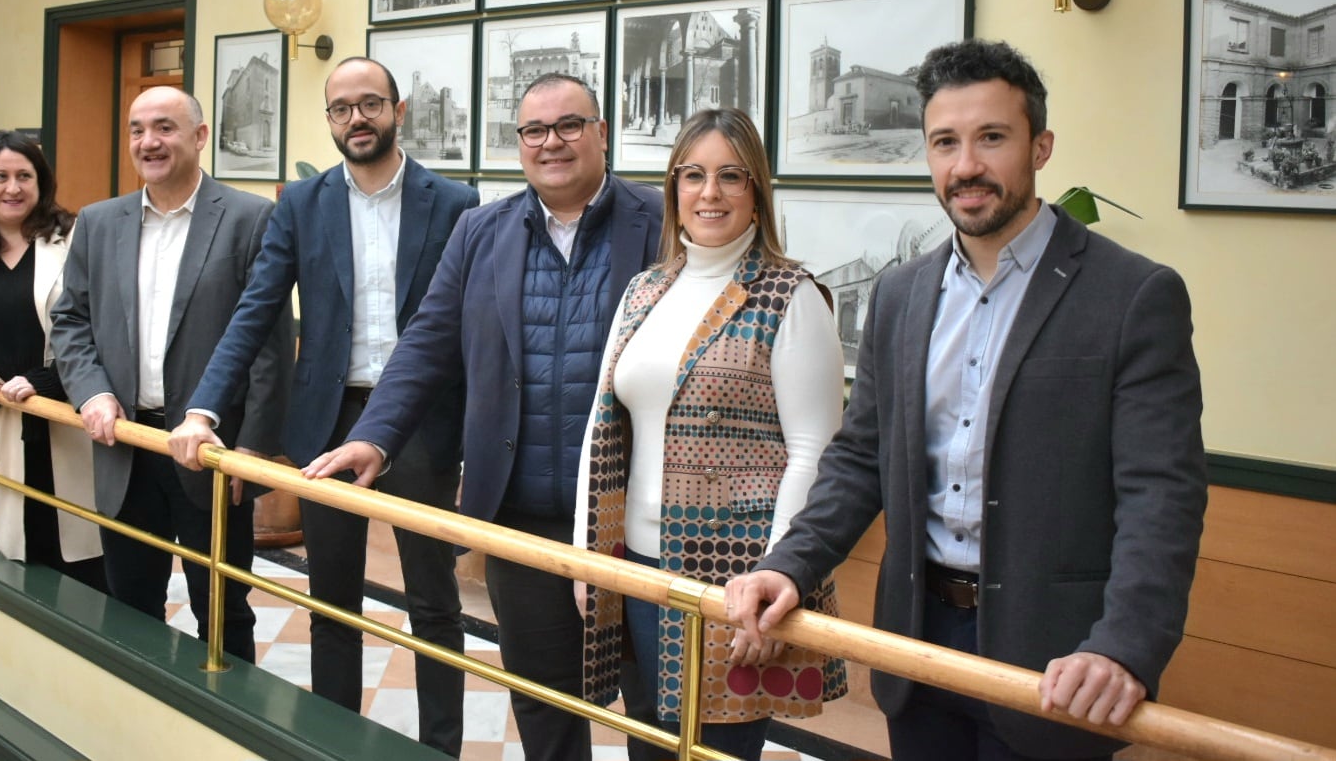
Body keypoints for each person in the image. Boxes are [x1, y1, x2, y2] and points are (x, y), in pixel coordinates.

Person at [725, 40, 1207, 761]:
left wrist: (1123, 646)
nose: (965, 165)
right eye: (944, 142)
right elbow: (860, 457)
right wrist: (789, 561)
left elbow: (1159, 494)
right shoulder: (900, 292)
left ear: (1039, 146)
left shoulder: (1132, 294)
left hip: (1057, 659)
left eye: (991, 138)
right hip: (917, 644)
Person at [304, 73, 662, 761]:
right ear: (518, 142)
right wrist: (373, 436)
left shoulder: (657, 221)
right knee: (543, 698)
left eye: (569, 125)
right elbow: (428, 342)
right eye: (534, 130)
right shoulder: (481, 230)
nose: (550, 142)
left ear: (601, 134)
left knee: (651, 709)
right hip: (520, 519)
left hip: (631, 522)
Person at [169, 57, 477, 756]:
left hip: (423, 420)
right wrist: (203, 410)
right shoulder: (302, 204)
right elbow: (253, 314)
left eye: (369, 104)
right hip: (328, 419)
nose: (354, 119)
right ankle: (334, 740)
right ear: (329, 120)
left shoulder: (455, 203)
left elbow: (468, 323)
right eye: (340, 108)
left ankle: (441, 748)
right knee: (330, 596)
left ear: (398, 111)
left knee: (432, 601)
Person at [573, 109, 846, 761]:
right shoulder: (646, 289)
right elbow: (600, 420)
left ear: (756, 191)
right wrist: (585, 553)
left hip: (735, 578)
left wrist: (778, 576)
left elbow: (815, 451)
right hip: (637, 567)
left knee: (715, 749)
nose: (709, 193)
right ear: (672, 188)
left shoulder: (790, 294)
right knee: (648, 741)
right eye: (692, 175)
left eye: (731, 176)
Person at [51, 86, 292, 662]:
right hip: (124, 446)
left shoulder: (249, 219)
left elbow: (270, 345)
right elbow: (70, 320)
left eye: (164, 127)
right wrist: (93, 393)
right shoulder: (98, 221)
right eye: (137, 129)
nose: (148, 142)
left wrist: (253, 448)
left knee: (224, 609)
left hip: (210, 454)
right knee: (130, 604)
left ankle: (229, 728)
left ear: (199, 136)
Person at [0, 130, 105, 590]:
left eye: (24, 176)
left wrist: (45, 382)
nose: (13, 188)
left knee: (78, 551)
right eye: (0, 177)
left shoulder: (74, 240)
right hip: (2, 420)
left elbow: (97, 332)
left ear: (41, 183)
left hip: (63, 413)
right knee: (16, 553)